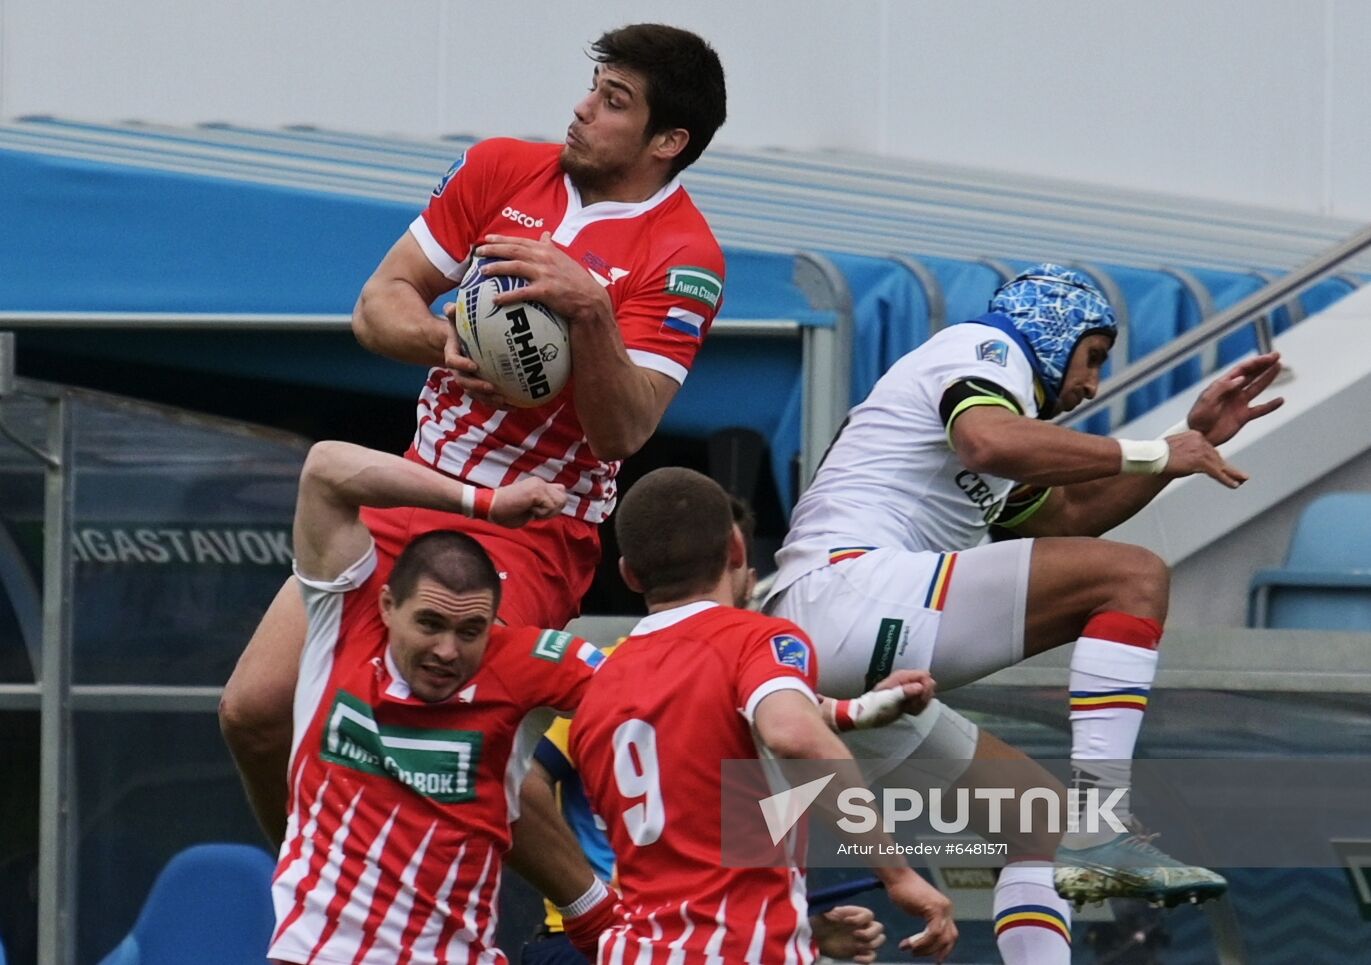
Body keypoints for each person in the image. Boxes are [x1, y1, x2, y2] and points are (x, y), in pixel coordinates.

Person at [220, 22, 729, 849]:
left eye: (612, 101)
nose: (581, 109)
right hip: (417, 481)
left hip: (531, 528)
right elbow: (378, 304)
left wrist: (589, 311)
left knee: (440, 756)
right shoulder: (499, 168)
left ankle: (587, 915)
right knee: (253, 711)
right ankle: (313, 895)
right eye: (593, 88)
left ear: (667, 140)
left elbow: (623, 430)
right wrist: (449, 340)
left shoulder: (685, 255)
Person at [763, 263, 1284, 959]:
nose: (1091, 385)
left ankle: (1087, 834)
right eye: (1092, 358)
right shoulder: (986, 348)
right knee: (1134, 576)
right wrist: (1155, 450)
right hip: (851, 590)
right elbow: (988, 440)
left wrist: (1180, 453)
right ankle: (1102, 825)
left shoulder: (984, 400)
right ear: (1054, 329)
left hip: (823, 645)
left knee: (1031, 824)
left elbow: (1066, 516)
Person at [569, 468, 960, 963]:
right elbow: (791, 737)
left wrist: (856, 711)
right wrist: (898, 874)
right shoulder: (757, 639)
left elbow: (709, 806)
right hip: (736, 949)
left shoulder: (600, 685)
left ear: (627, 573)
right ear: (737, 550)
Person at [267, 438, 607, 964]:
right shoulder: (344, 622)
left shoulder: (528, 663)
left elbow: (680, 704)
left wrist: (770, 854)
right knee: (245, 710)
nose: (447, 651)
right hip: (314, 954)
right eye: (429, 623)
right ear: (386, 604)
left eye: (472, 630)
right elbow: (324, 467)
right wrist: (486, 502)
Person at [520, 497, 887, 965]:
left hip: (640, 941)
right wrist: (591, 903)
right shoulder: (750, 650)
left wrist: (805, 931)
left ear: (629, 573)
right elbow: (519, 784)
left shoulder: (609, 674)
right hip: (602, 939)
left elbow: (717, 837)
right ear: (740, 563)